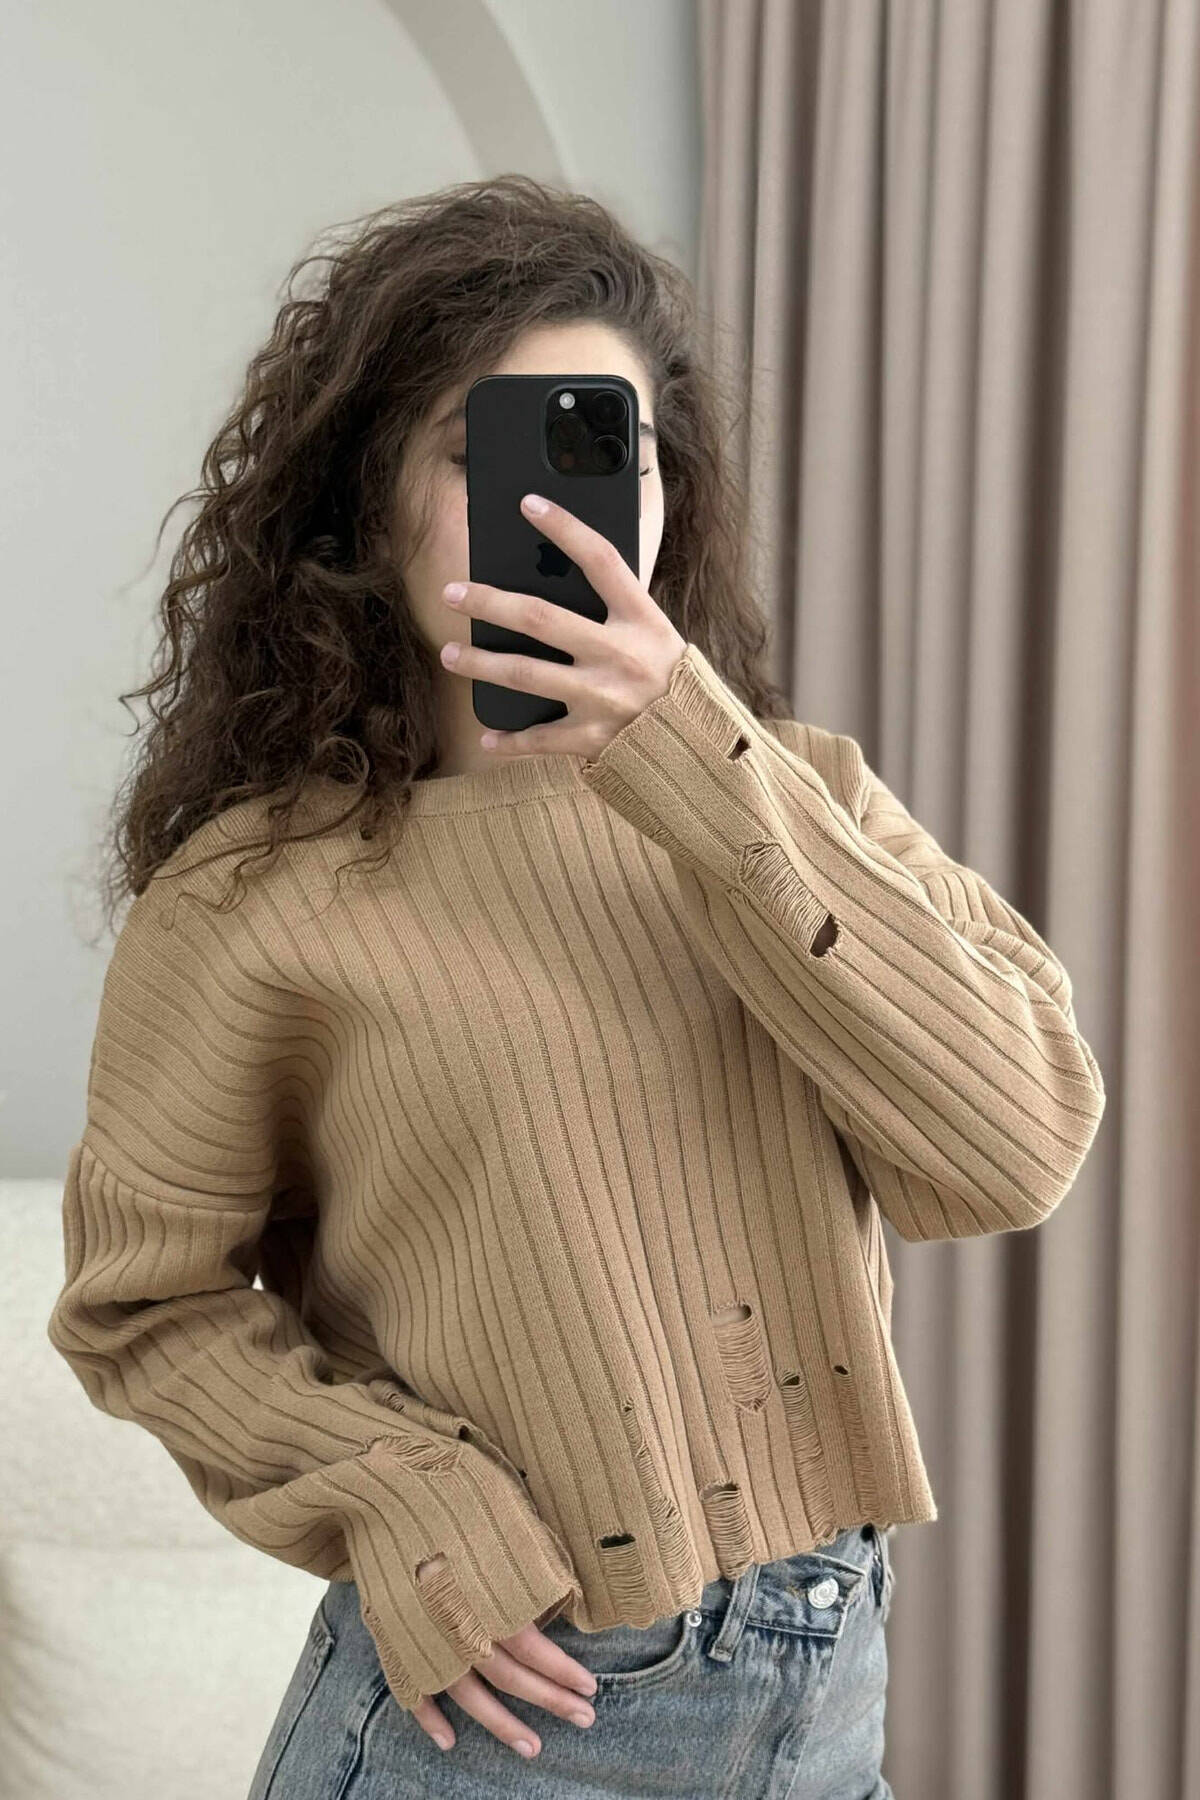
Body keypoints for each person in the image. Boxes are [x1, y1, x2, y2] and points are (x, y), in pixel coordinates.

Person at [47, 175, 1105, 1798]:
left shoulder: (803, 799)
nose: (552, 515)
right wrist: (408, 1501)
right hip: (500, 1717)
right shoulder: (257, 894)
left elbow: (1011, 1152)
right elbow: (142, 1303)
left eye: (609, 454)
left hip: (826, 1709)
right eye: (483, 456)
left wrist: (696, 762)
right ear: (370, 502)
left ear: (671, 495)